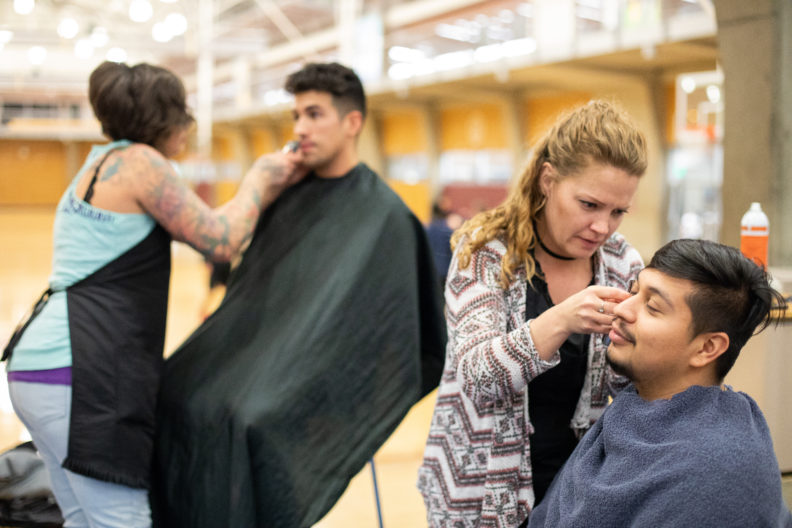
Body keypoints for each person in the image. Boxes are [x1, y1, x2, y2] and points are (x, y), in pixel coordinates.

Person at [2, 61, 305, 528]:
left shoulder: (100, 161)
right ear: (164, 119)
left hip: (42, 368)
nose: (187, 125)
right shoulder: (141, 163)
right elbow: (220, 240)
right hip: (80, 373)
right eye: (182, 113)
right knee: (120, 519)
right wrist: (261, 178)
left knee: (84, 518)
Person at [152, 62, 446, 528]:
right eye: (296, 117)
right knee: (170, 392)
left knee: (250, 425)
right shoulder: (285, 195)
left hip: (309, 376)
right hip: (252, 358)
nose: (301, 128)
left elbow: (392, 329)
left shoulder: (385, 216)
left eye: (314, 114)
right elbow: (252, 294)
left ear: (352, 123)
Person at [418, 100, 648, 527]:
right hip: (479, 491)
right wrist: (562, 318)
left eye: (618, 211)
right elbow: (477, 375)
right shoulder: (485, 250)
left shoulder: (621, 262)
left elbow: (627, 382)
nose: (603, 227)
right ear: (548, 180)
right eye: (589, 204)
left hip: (573, 490)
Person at [528, 239, 792, 527]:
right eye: (633, 292)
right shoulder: (633, 410)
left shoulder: (717, 473)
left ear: (707, 348)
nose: (623, 309)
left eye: (652, 307)